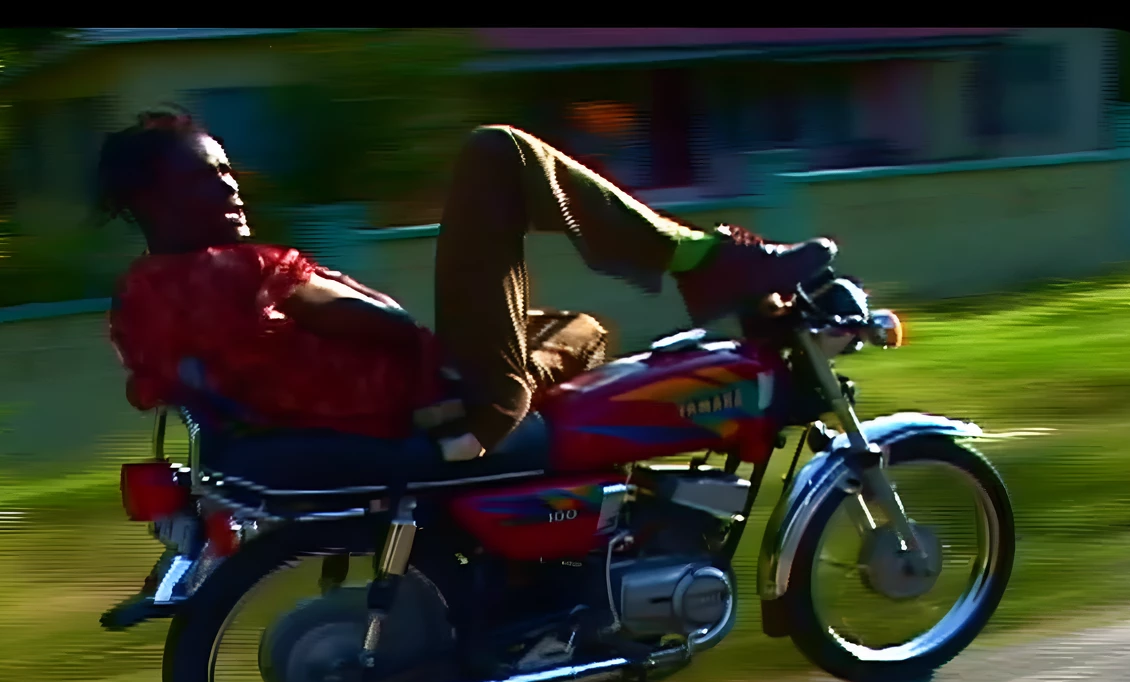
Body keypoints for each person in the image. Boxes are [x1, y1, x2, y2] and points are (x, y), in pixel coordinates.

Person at [98, 109, 835, 464]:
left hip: (325, 430)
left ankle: (714, 279)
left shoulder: (138, 299)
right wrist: (317, 281)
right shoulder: (245, 270)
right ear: (151, 198)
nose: (230, 186)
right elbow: (387, 323)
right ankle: (703, 261)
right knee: (498, 153)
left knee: (581, 328)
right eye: (205, 176)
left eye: (228, 171)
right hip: (442, 401)